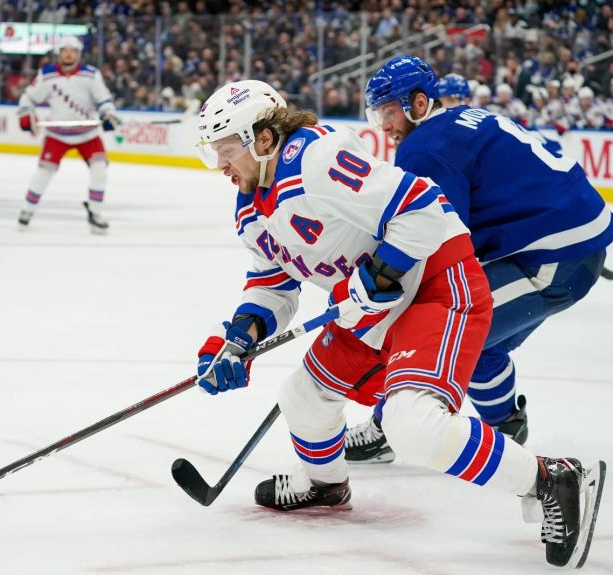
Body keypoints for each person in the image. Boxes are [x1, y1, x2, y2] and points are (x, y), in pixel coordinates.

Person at [193, 79, 605, 568]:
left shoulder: (316, 159)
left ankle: (553, 478)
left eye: (225, 150)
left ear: (263, 138)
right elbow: (272, 284)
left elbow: (423, 207)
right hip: (373, 309)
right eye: (211, 153)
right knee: (301, 396)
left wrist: (380, 272)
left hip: (435, 285)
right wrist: (239, 339)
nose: (219, 165)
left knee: (412, 426)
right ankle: (326, 485)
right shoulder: (249, 207)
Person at [346, 56, 612, 472]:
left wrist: (385, 278)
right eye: (378, 114)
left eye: (390, 112)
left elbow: (437, 236)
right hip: (567, 240)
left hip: (555, 256)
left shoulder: (425, 148)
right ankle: (506, 427)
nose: (384, 126)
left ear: (419, 104)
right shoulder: (462, 119)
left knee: (439, 326)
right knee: (481, 342)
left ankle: (386, 427)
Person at [16, 35, 118, 233]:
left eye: (73, 51)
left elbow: (104, 100)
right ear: (59, 53)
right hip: (58, 135)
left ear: (79, 54)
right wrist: (26, 116)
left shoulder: (90, 75)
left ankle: (95, 212)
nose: (69, 54)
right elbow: (28, 99)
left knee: (100, 169)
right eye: (65, 50)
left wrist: (107, 115)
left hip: (87, 134)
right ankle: (27, 210)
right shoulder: (47, 75)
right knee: (43, 172)